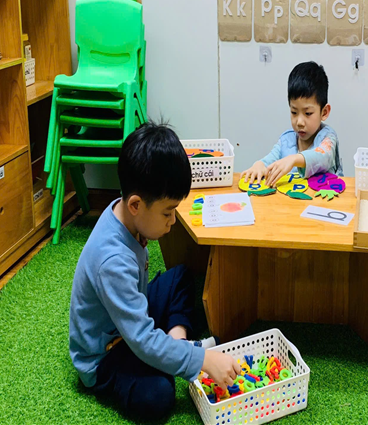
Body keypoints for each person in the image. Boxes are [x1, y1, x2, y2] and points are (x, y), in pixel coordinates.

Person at [69, 122, 240, 419]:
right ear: (136, 205)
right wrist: (203, 360)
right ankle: (176, 350)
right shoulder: (112, 261)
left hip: (129, 316)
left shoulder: (124, 212)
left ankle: (176, 342)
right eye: (167, 212)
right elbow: (141, 339)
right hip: (106, 353)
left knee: (181, 277)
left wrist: (177, 345)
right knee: (158, 394)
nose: (172, 221)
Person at [242, 61, 343, 187]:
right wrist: (259, 165)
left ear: (324, 112)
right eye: (294, 112)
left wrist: (294, 159)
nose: (299, 122)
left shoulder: (327, 137)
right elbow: (270, 160)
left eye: (308, 113)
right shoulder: (287, 140)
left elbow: (322, 157)